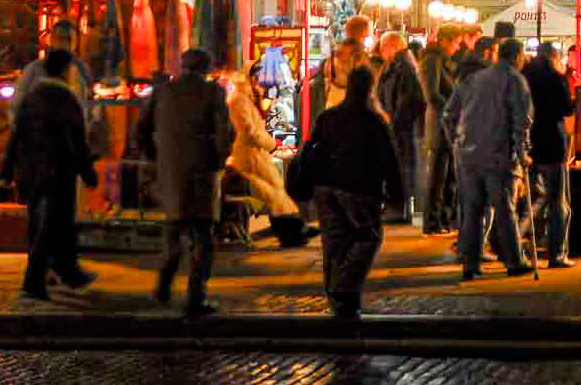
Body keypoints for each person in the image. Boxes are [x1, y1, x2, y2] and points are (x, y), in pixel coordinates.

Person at [137, 48, 233, 318]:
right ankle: (195, 296)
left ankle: (163, 287)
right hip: (202, 170)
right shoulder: (213, 93)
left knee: (173, 231)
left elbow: (142, 129)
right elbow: (224, 132)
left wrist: (157, 157)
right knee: (202, 237)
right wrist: (219, 160)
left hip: (170, 171)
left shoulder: (163, 92)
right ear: (206, 68)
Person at [305, 61, 402, 319]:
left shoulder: (328, 117)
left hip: (326, 187)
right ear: (370, 88)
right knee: (368, 237)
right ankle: (344, 289)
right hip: (358, 188)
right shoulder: (373, 121)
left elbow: (313, 148)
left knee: (334, 243)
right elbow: (387, 159)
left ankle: (340, 302)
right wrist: (395, 192)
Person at [0, 48, 98, 300]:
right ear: (66, 71)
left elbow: (16, 136)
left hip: (30, 171)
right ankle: (35, 280)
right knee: (54, 223)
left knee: (41, 223)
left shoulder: (31, 99)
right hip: (58, 170)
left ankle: (67, 271)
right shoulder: (66, 100)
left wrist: (7, 170)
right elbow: (77, 140)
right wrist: (88, 172)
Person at [443, 37, 533, 279]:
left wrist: (456, 142)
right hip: (497, 155)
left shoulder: (473, 79)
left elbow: (448, 115)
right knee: (504, 209)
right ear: (516, 56)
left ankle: (470, 265)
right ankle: (514, 261)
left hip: (467, 156)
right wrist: (523, 153)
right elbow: (521, 121)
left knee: (472, 211)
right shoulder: (514, 80)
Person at [225, 69, 302, 240]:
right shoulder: (239, 100)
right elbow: (250, 132)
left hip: (255, 154)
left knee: (275, 191)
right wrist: (274, 146)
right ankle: (289, 230)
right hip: (248, 156)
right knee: (271, 192)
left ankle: (291, 228)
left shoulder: (245, 99)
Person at [522, 41, 575, 268]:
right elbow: (566, 109)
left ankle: (518, 239)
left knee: (533, 198)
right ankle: (557, 253)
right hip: (553, 144)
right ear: (554, 57)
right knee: (558, 202)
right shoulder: (555, 77)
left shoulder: (524, 76)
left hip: (530, 144)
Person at [374, 31, 424, 225]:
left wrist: (393, 121)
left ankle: (399, 209)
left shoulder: (404, 68)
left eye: (384, 49)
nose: (382, 54)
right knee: (398, 168)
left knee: (401, 168)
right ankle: (397, 208)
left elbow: (411, 100)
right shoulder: (398, 66)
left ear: (392, 47)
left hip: (400, 130)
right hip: (395, 127)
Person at [418, 25, 463, 235]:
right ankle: (432, 222)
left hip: (447, 123)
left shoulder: (442, 60)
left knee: (447, 173)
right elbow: (432, 94)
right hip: (439, 123)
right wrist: (451, 110)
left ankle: (444, 220)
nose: (457, 47)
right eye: (455, 43)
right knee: (438, 173)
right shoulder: (432, 60)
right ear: (445, 40)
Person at [14, 19, 94, 110]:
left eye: (68, 39)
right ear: (52, 40)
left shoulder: (82, 69)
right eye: (60, 38)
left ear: (75, 42)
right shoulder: (34, 70)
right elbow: (19, 103)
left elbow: (87, 102)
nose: (64, 43)